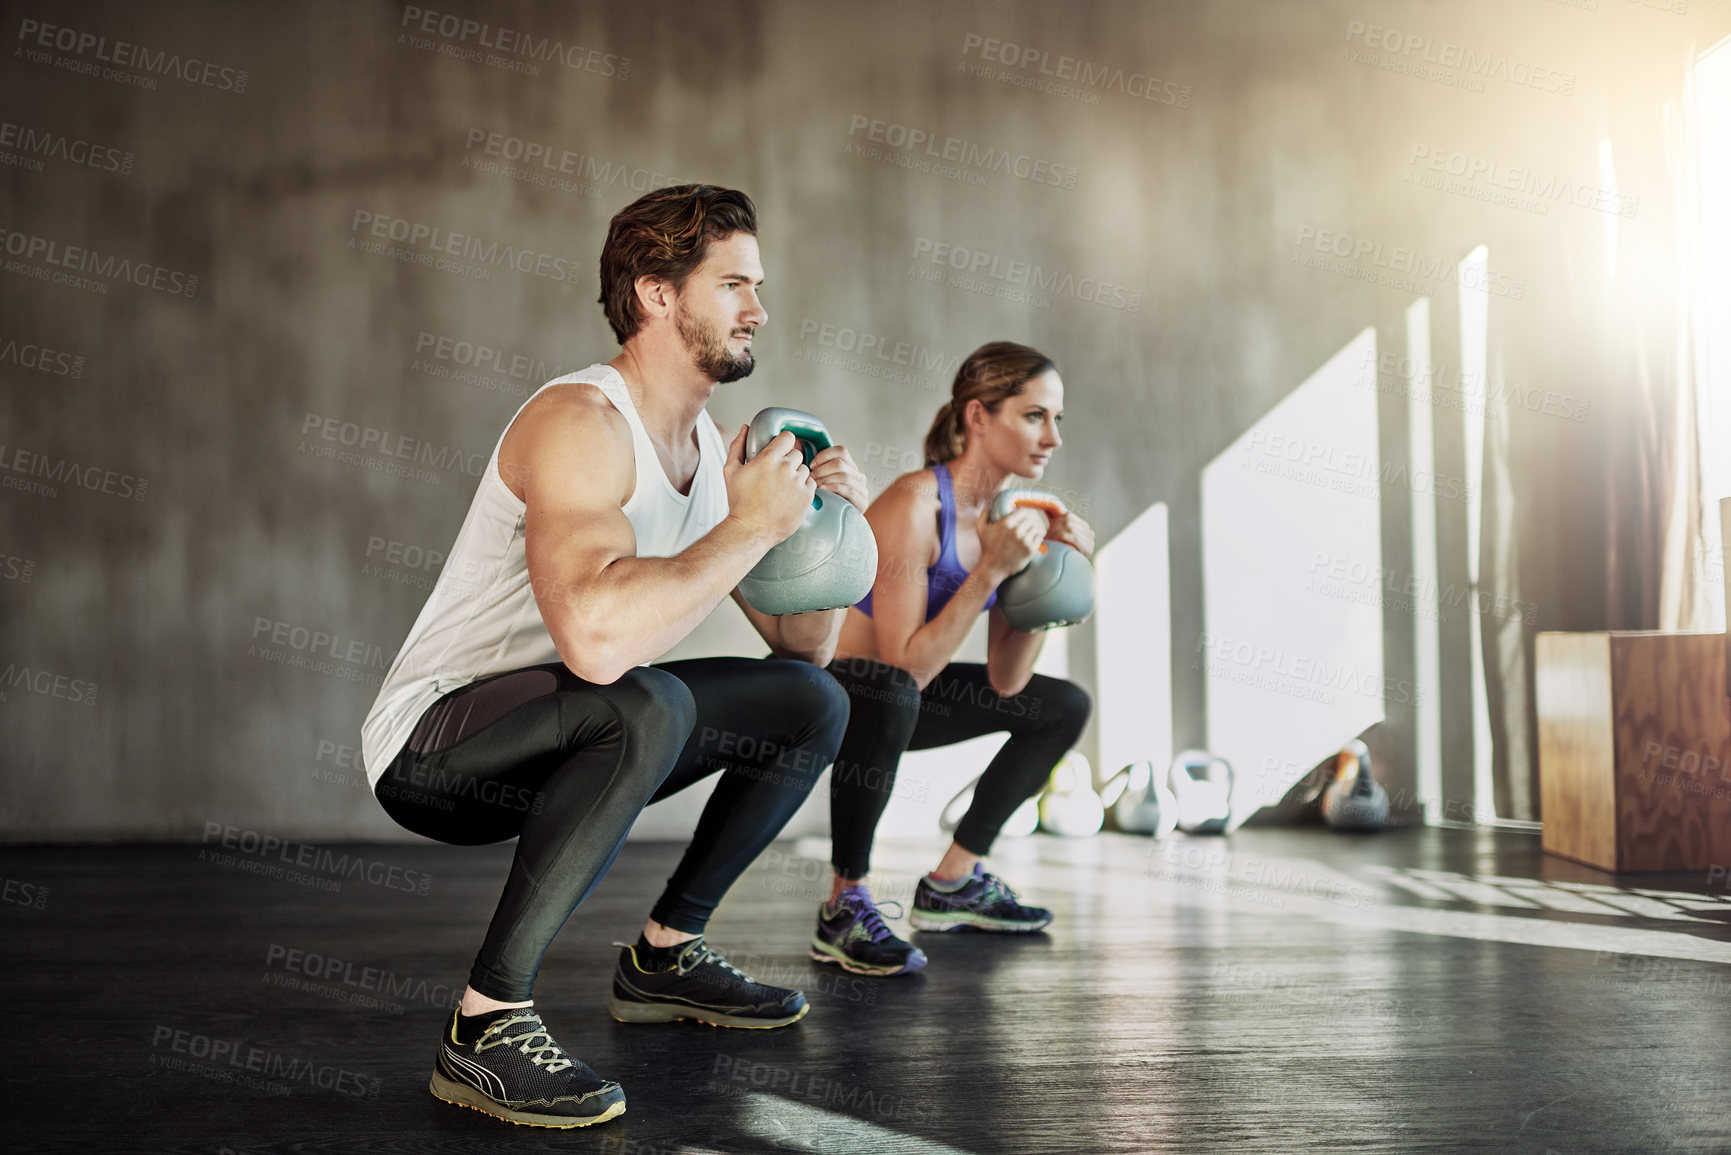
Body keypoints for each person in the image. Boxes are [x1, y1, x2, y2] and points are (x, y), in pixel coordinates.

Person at [360, 185, 866, 1128]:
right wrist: (744, 527)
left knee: (812, 702)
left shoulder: (715, 453)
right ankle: (485, 1026)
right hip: (436, 744)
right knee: (645, 700)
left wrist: (817, 534)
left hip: (568, 728)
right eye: (733, 285)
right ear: (656, 294)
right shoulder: (579, 422)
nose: (758, 308)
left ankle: (666, 955)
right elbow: (593, 643)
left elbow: (803, 648)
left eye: (758, 286)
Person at [809, 342, 1096, 977]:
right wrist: (991, 568)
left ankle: (953, 882)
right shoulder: (917, 504)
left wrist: (1057, 574)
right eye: (1034, 416)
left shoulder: (1009, 517)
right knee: (892, 692)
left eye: (1057, 420)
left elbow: (1006, 680)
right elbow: (904, 667)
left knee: (1061, 705)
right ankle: (844, 902)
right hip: (835, 697)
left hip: (904, 693)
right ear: (977, 418)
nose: (1051, 436)